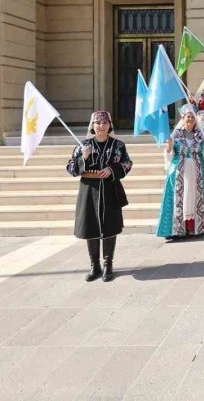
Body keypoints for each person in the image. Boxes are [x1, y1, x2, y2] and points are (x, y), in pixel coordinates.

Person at [66, 110, 132, 282]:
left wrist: (111, 170)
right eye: (97, 123)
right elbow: (70, 168)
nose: (101, 126)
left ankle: (108, 264)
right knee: (91, 226)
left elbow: (127, 163)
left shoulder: (118, 145)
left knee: (110, 225)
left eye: (104, 123)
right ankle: (94, 265)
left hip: (110, 189)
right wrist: (84, 158)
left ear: (109, 125)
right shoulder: (83, 145)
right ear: (92, 126)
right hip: (89, 190)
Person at [156, 104, 204, 239]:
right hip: (179, 172)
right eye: (188, 116)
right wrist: (169, 147)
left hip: (197, 172)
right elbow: (169, 155)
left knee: (194, 199)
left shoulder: (200, 135)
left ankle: (196, 228)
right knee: (180, 199)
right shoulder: (176, 135)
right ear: (183, 118)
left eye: (193, 117)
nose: (190, 119)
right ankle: (177, 230)